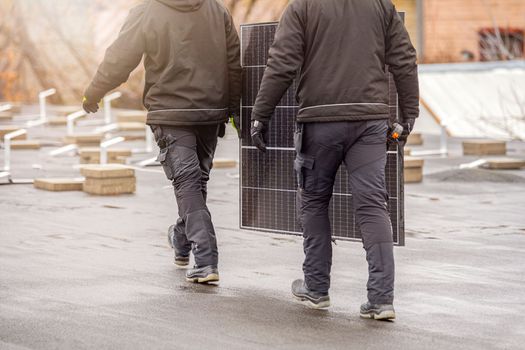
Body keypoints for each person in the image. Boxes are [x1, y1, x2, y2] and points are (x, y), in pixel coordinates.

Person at [251, 0, 418, 319]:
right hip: (369, 122)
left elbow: (281, 63)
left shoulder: (302, 6)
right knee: (372, 204)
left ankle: (316, 289)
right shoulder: (380, 5)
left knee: (313, 200)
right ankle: (381, 299)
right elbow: (404, 59)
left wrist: (261, 115)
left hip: (319, 122)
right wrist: (409, 112)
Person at [83, 0, 242, 284]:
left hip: (171, 112)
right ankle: (181, 241)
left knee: (189, 183)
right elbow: (234, 63)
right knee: (194, 182)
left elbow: (120, 59)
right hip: (209, 112)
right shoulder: (217, 11)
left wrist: (93, 93)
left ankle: (205, 260)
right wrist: (231, 111)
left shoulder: (147, 11)